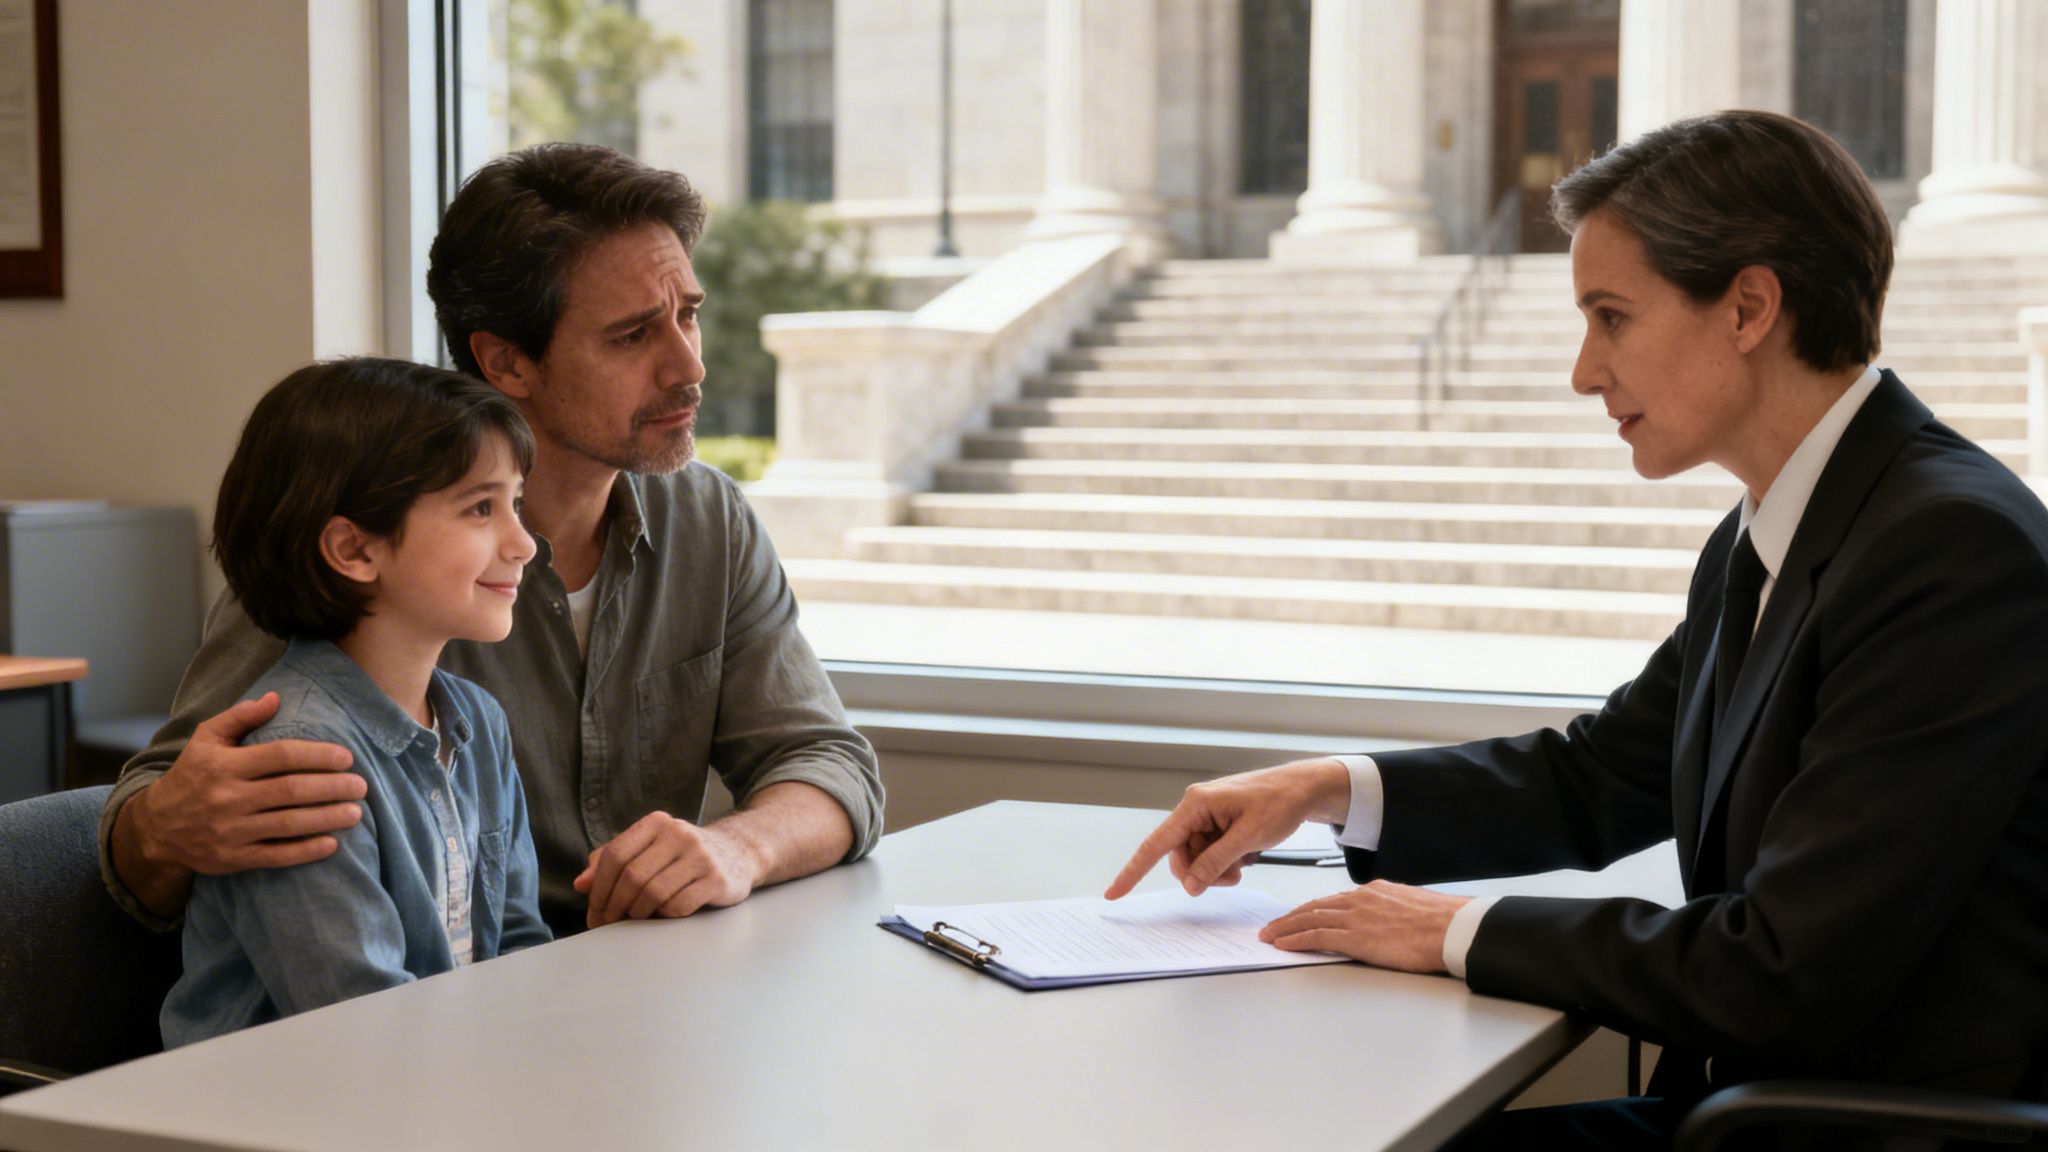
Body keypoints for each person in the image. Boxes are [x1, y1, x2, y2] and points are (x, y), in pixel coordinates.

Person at [1107, 110, 2048, 1147]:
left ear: (1746, 307)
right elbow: (1600, 774)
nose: (1582, 370)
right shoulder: (1782, 524)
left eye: (1609, 316)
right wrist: (1327, 789)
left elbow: (1781, 969)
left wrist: (1451, 929)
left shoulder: (1947, 547)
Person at [102, 144, 884, 939]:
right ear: (506, 361)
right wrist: (166, 826)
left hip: (633, 994)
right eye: (632, 336)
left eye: (688, 315)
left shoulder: (709, 519)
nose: (689, 365)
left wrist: (736, 848)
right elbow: (153, 823)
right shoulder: (365, 536)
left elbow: (831, 766)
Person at [161, 357, 551, 1047]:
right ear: (353, 548)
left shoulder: (479, 725)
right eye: (481, 508)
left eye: (515, 504)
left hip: (435, 1083)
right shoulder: (294, 758)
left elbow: (519, 946)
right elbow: (361, 1026)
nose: (523, 543)